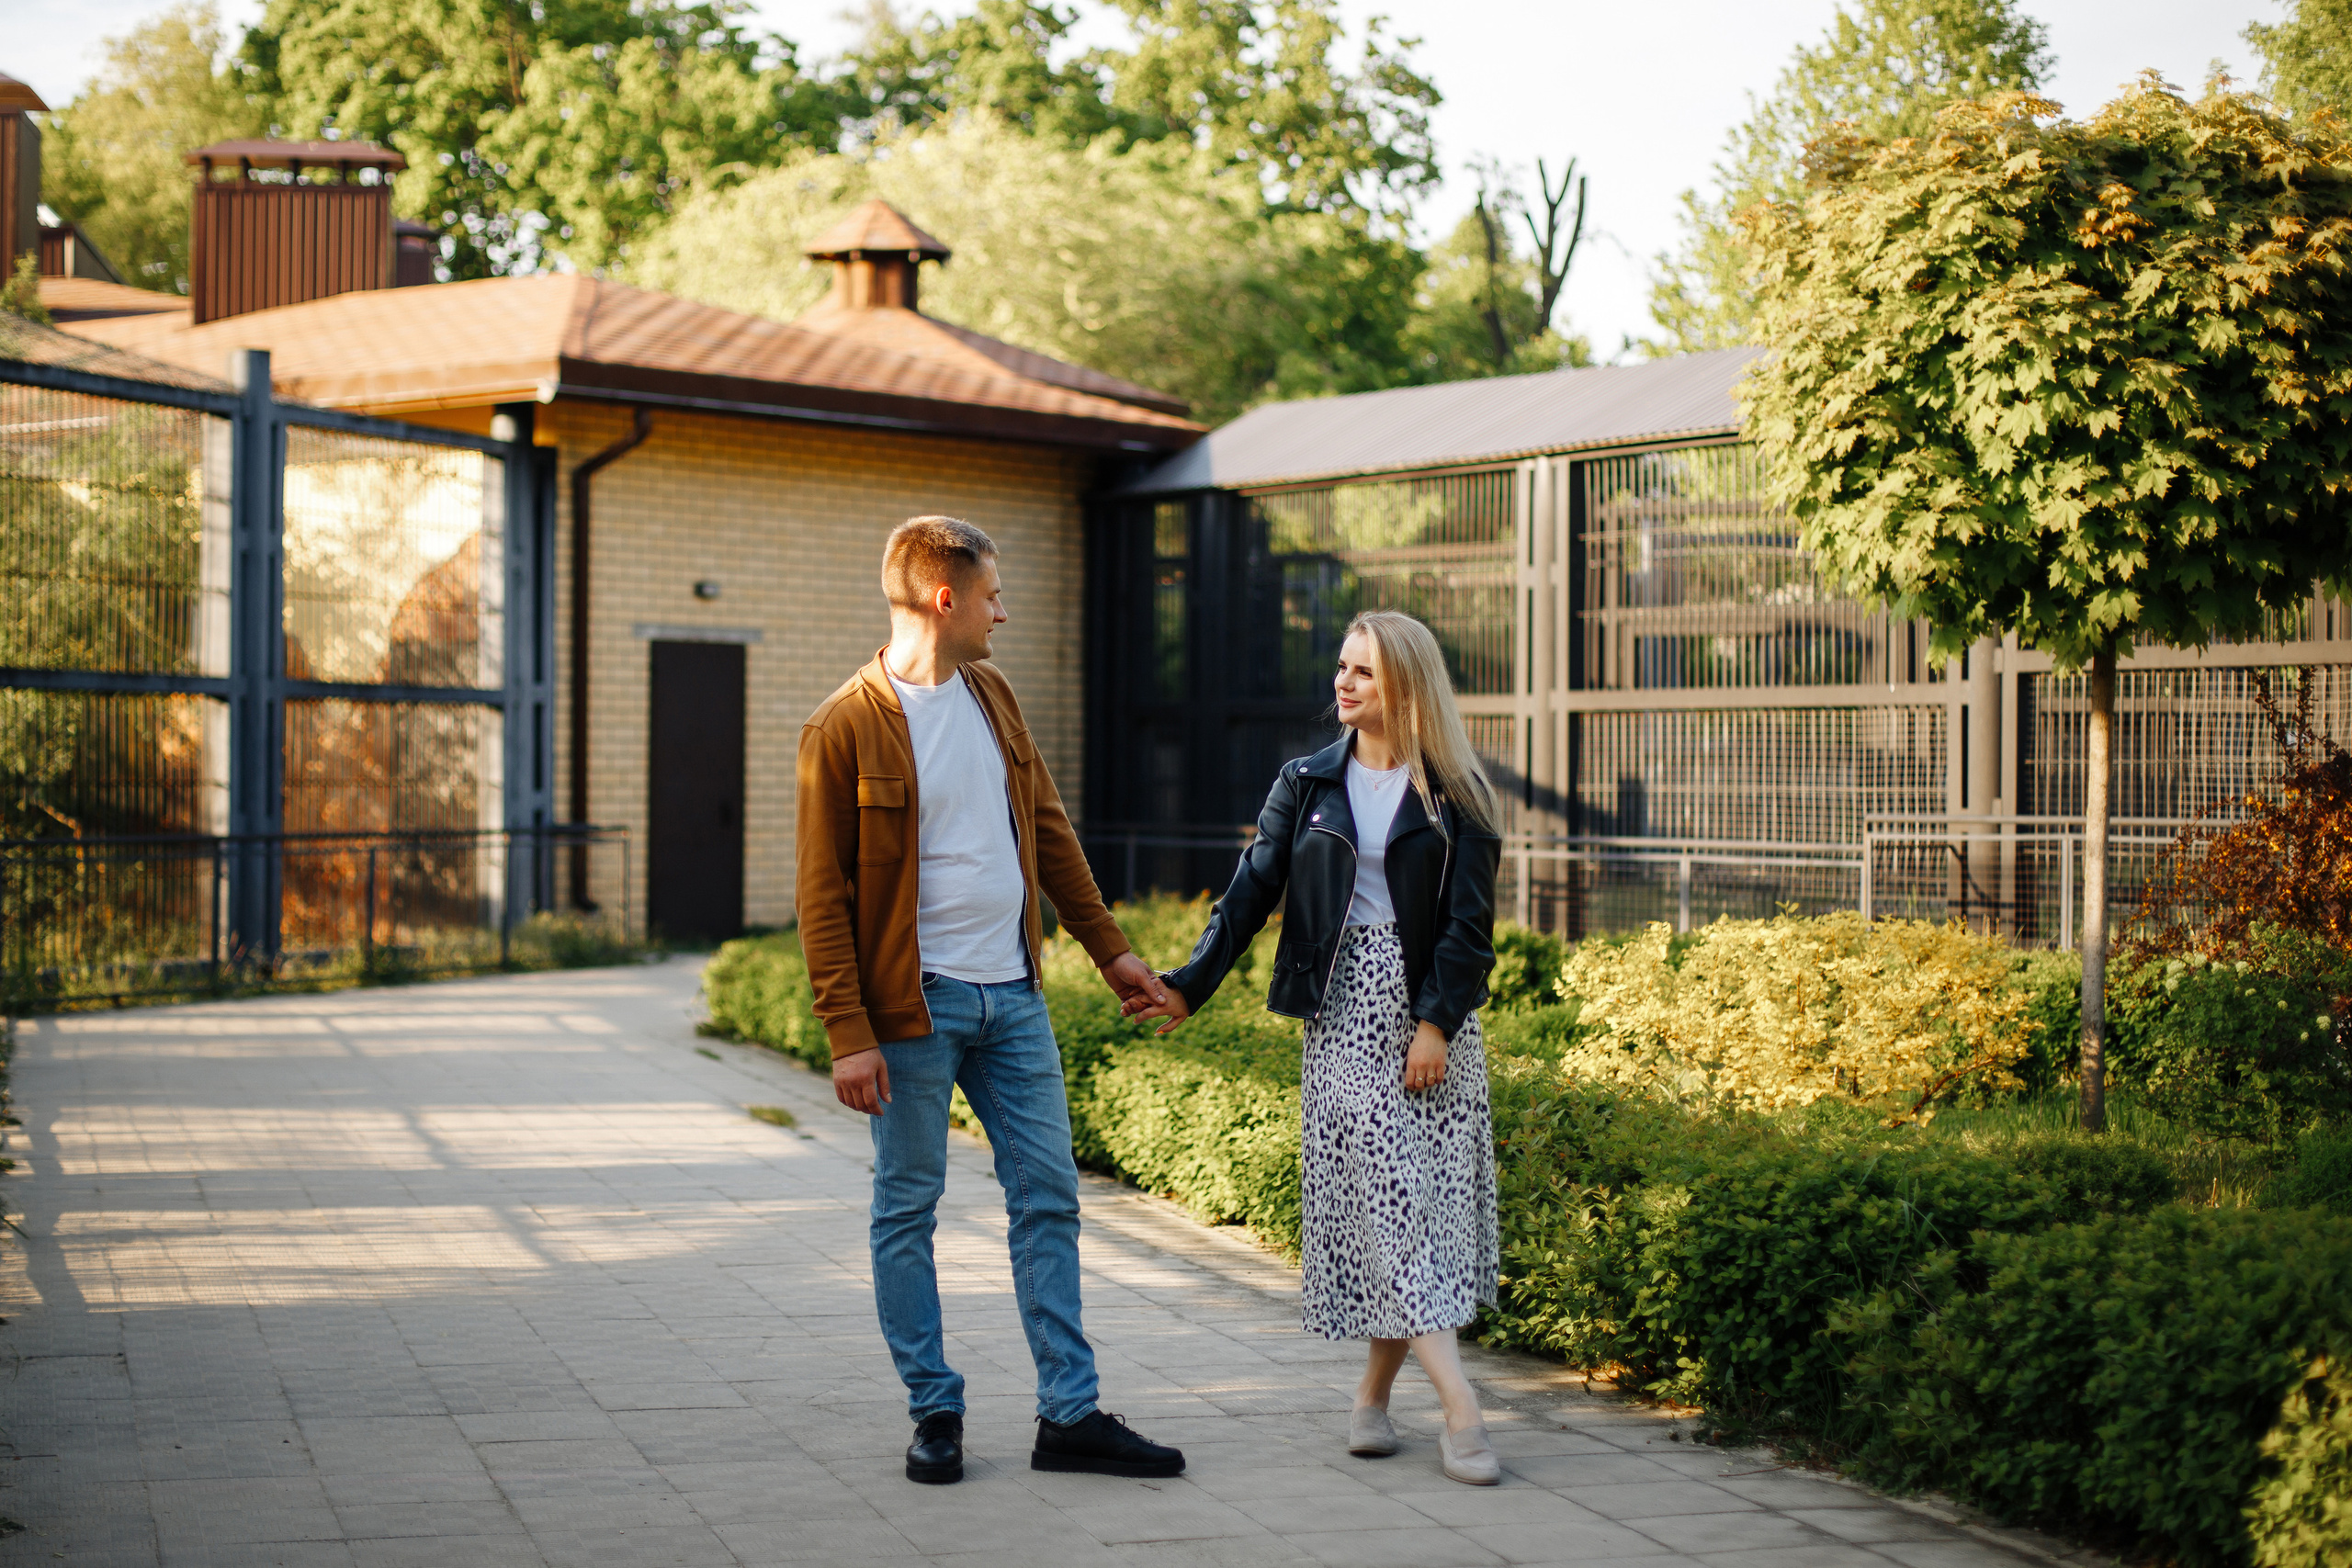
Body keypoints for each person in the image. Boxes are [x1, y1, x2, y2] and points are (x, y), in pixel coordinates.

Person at [797, 514, 1184, 1486]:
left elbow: (1047, 832)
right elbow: (821, 896)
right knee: (907, 1209)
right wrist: (849, 1034)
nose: (1002, 613)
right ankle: (934, 1411)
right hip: (910, 1011)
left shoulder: (994, 697)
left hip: (1012, 998)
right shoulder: (842, 725)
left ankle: (1070, 1414)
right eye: (992, 596)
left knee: (1048, 1198)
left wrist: (1112, 952)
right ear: (943, 599)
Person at [1126, 609, 1505, 1486]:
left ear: (1404, 684)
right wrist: (1190, 981)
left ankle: (1372, 1399)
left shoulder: (1458, 796)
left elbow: (1469, 930)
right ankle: (1463, 1410)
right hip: (1340, 1017)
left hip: (1427, 1022)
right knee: (1389, 1201)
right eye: (1342, 666)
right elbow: (1249, 892)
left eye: (1364, 672)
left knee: (1406, 1213)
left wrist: (1436, 1024)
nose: (1343, 682)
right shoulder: (1305, 782)